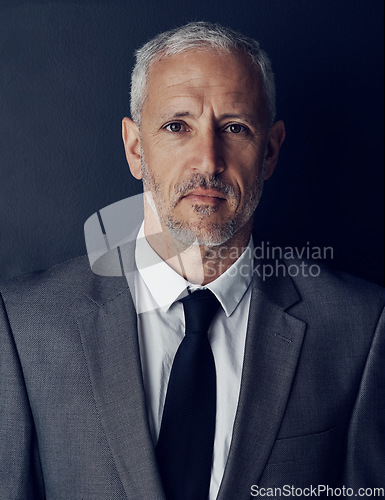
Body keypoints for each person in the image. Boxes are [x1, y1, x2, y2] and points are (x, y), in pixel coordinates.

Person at [0, 21, 384, 500]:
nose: (208, 160)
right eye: (177, 126)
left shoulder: (361, 328)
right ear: (136, 147)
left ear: (269, 151)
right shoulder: (25, 327)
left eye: (235, 128)